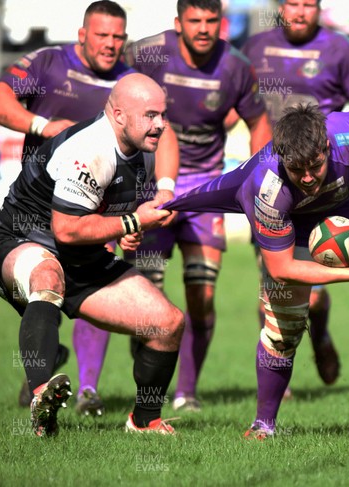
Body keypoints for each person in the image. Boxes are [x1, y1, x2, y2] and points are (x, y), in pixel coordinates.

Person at [160, 103, 349, 438]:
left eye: (315, 165)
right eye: (297, 169)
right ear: (282, 157)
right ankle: (264, 425)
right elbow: (282, 268)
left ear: (327, 147)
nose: (308, 177)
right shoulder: (267, 187)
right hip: (294, 222)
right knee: (282, 331)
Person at [0, 1, 177, 416]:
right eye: (102, 34)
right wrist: (43, 126)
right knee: (46, 278)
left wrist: (158, 196)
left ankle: (143, 421)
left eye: (117, 36)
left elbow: (155, 152)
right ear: (82, 34)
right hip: (28, 233)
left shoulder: (137, 108)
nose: (110, 44)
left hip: (81, 237)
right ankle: (42, 396)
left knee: (167, 322)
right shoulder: (50, 63)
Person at [97, 0, 269, 413]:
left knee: (202, 294)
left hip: (206, 189)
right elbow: (111, 104)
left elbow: (260, 121)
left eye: (212, 21)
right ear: (178, 23)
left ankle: (187, 392)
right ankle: (149, 363)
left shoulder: (236, 65)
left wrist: (263, 179)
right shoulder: (146, 53)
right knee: (147, 293)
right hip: (150, 185)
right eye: (195, 21)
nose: (204, 28)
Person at [240, 0, 349, 391]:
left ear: (319, 8)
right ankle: (273, 378)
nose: (299, 12)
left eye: (308, 5)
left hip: (320, 188)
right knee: (273, 289)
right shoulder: (255, 48)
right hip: (270, 187)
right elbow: (240, 106)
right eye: (291, 4)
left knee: (312, 299)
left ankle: (320, 332)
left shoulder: (339, 49)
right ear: (279, 7)